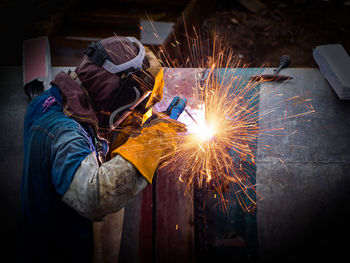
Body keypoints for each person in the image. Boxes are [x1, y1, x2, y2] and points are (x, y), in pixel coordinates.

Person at [20, 36, 187, 262]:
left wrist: (131, 132)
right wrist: (152, 142)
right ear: (119, 94)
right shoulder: (66, 133)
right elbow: (93, 195)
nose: (136, 110)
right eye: (136, 103)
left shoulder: (48, 101)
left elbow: (92, 135)